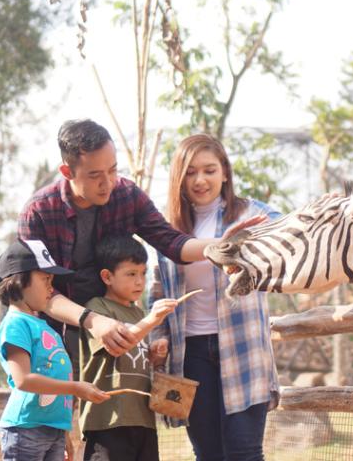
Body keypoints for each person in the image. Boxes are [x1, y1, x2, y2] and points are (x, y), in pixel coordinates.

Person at [17, 118, 266, 365]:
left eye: (113, 169)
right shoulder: (39, 212)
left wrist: (222, 244)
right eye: (95, 176)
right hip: (54, 336)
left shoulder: (127, 195)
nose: (108, 183)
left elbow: (172, 243)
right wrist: (93, 320)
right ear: (67, 172)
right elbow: (39, 291)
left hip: (118, 328)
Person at [150, 134, 282, 461]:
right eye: (190, 172)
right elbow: (158, 287)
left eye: (209, 170)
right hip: (190, 353)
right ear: (179, 178)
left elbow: (291, 244)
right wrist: (158, 336)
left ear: (225, 172)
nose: (200, 180)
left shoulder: (254, 215)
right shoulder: (168, 230)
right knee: (207, 453)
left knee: (244, 452)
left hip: (243, 348)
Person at [0, 238, 111, 461]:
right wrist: (75, 388)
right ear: (19, 281)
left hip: (52, 429)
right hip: (26, 429)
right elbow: (23, 379)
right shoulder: (16, 324)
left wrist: (62, 431)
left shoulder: (44, 325)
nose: (51, 288)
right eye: (46, 279)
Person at [79, 235, 177, 461]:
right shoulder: (97, 308)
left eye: (143, 273)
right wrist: (152, 320)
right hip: (108, 419)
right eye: (131, 274)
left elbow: (135, 352)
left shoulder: (139, 313)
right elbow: (117, 346)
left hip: (143, 418)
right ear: (107, 276)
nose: (140, 281)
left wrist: (154, 354)